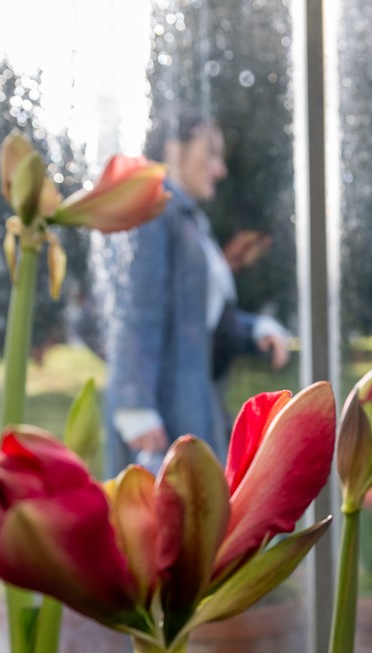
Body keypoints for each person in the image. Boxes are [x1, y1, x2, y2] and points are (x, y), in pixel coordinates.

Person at [105, 111, 290, 473]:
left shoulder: (186, 218)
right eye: (210, 154)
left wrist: (255, 330)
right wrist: (135, 405)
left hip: (193, 406)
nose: (220, 169)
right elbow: (137, 308)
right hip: (164, 416)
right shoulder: (154, 212)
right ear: (175, 151)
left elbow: (201, 317)